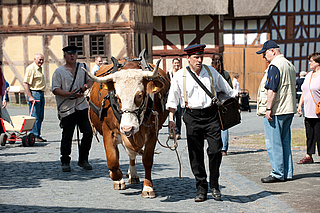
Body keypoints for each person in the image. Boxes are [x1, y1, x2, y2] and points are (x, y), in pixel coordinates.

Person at [166, 44, 237, 202]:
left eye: (201, 57)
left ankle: (215, 184)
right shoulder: (180, 76)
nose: (199, 60)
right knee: (195, 154)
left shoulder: (211, 72)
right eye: (196, 58)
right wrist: (171, 118)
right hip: (192, 116)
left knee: (215, 150)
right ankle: (201, 187)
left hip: (211, 115)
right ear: (188, 59)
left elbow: (227, 90)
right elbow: (173, 99)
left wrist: (235, 103)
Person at [256, 40, 296, 183]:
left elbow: (272, 89)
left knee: (274, 142)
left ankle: (278, 173)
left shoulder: (275, 66)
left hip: (277, 109)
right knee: (285, 141)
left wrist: (268, 109)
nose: (264, 57)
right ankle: (287, 172)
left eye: (265, 53)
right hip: (288, 108)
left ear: (273, 51)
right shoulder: (289, 64)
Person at [52, 45, 93, 172]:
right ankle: (65, 161)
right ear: (65, 56)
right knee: (67, 136)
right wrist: (69, 94)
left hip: (81, 106)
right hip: (67, 108)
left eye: (74, 54)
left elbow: (90, 80)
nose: (72, 56)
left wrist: (86, 86)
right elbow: (55, 89)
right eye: (69, 54)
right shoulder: (59, 72)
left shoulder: (83, 67)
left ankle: (83, 160)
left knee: (88, 133)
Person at [297, 52, 320, 164]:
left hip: (318, 111)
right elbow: (304, 91)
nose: (309, 63)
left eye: (312, 61)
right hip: (308, 110)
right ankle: (308, 155)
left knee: (319, 135)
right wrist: (300, 105)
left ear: (318, 63)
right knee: (309, 134)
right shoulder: (308, 75)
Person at [212, 53, 233, 156]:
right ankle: (223, 149)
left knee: (214, 125)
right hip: (223, 103)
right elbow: (230, 90)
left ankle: (216, 146)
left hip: (212, 103)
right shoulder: (225, 74)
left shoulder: (210, 73)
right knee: (224, 125)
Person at [23, 53, 47, 142]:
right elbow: (25, 83)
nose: (41, 61)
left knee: (40, 116)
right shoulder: (31, 68)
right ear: (34, 59)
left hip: (40, 93)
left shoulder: (39, 69)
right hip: (34, 93)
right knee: (35, 116)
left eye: (42, 59)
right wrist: (30, 96)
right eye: (39, 59)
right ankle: (34, 135)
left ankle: (37, 135)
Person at [167, 58, 182, 140]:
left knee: (178, 115)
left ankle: (178, 132)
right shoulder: (169, 73)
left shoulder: (181, 73)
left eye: (178, 63)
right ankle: (171, 132)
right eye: (175, 63)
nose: (176, 64)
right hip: (170, 96)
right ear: (172, 64)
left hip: (179, 96)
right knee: (171, 115)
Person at [0, 61, 8, 134]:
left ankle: (1, 133)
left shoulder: (0, 72)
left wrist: (4, 98)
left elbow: (3, 86)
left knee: (1, 115)